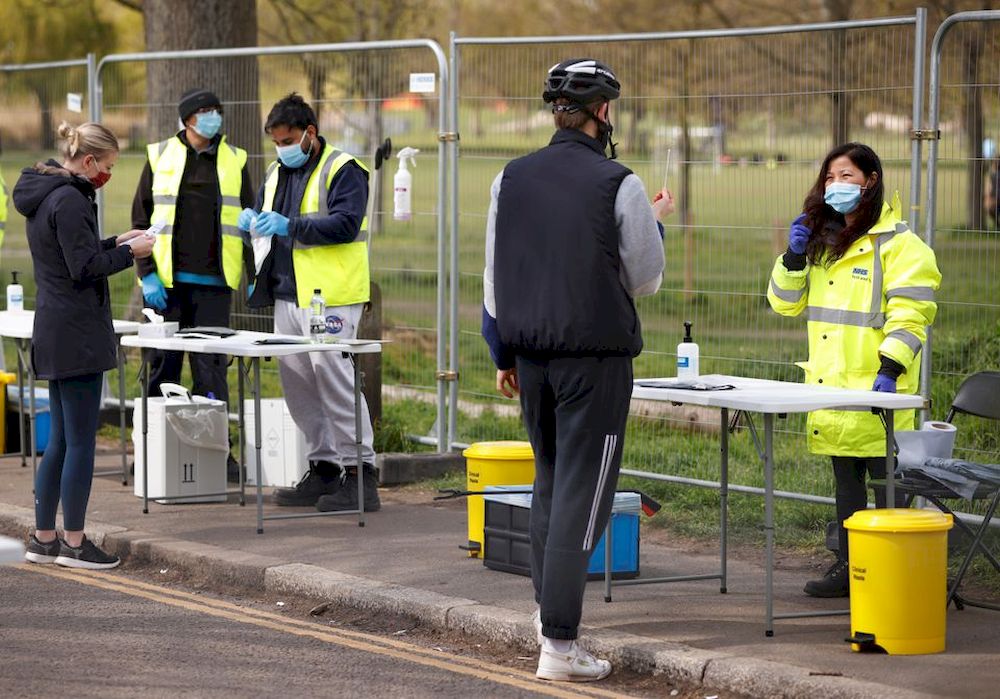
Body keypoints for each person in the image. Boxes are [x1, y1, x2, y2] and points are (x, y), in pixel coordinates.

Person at [482, 59, 672, 682]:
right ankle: (560, 646)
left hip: (530, 358)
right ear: (604, 111)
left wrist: (502, 353)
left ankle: (548, 620)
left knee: (551, 482)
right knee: (584, 497)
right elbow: (644, 278)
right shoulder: (620, 182)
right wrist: (657, 229)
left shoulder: (509, 178)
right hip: (594, 360)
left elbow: (492, 279)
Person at [767, 142, 941, 597]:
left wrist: (891, 366)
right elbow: (785, 306)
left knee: (887, 489)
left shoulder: (902, 245)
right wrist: (792, 258)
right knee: (846, 487)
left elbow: (911, 315)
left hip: (880, 392)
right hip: (833, 392)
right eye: (829, 177)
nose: (836, 186)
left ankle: (891, 576)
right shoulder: (822, 242)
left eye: (846, 176)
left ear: (871, 181)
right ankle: (849, 569)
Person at [13, 122, 154, 569]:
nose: (107, 176)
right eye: (107, 167)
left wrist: (118, 240)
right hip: (76, 333)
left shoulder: (46, 192)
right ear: (88, 161)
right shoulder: (72, 200)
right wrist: (132, 253)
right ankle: (75, 542)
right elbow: (83, 268)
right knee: (80, 444)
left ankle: (43, 536)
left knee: (58, 440)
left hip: (55, 329)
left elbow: (75, 252)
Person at [243, 93, 379, 513]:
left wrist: (290, 225)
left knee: (335, 382)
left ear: (310, 133)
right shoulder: (276, 171)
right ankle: (323, 467)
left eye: (287, 139)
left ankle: (360, 475)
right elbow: (268, 215)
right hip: (288, 292)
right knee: (299, 387)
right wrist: (253, 220)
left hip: (331, 298)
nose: (282, 148)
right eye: (276, 141)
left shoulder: (344, 169)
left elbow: (344, 223)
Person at [131, 88, 254, 480]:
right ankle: (151, 451)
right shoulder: (159, 155)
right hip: (166, 285)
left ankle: (218, 453)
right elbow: (141, 219)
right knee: (161, 370)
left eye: (217, 110)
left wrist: (256, 277)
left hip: (215, 285)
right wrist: (146, 273)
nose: (213, 117)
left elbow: (247, 222)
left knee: (211, 373)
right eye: (204, 112)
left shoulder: (235, 160)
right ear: (187, 120)